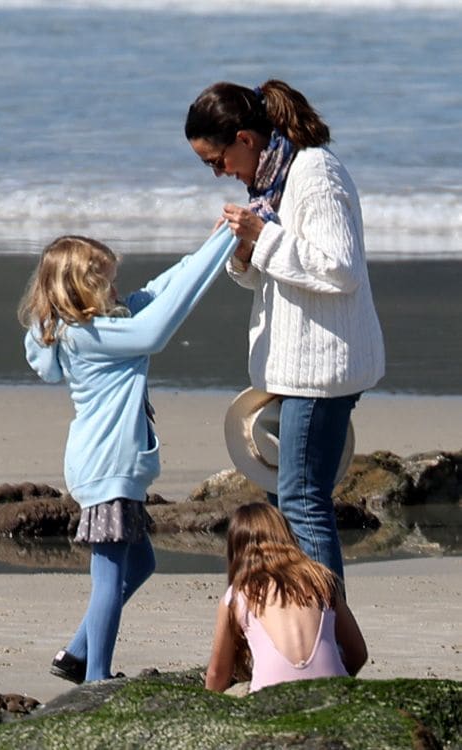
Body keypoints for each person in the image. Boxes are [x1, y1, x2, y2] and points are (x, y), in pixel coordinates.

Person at [185, 79, 385, 581]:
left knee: (301, 500)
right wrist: (244, 253)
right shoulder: (271, 183)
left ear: (246, 140)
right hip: (296, 367)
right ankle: (309, 630)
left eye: (217, 160)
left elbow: (340, 270)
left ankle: (328, 638)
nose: (218, 173)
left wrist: (263, 237)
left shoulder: (314, 173)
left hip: (322, 368)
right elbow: (277, 275)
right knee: (287, 497)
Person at [18, 226, 237, 683]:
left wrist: (215, 240)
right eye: (108, 284)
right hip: (107, 470)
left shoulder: (98, 325)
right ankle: (96, 677)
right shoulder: (88, 336)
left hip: (108, 468)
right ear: (83, 291)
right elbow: (157, 328)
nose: (118, 291)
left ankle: (76, 654)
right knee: (108, 577)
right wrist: (228, 243)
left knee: (140, 563)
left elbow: (161, 289)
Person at [206, 502, 367, 693]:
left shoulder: (238, 595)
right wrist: (338, 682)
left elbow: (217, 674)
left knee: (237, 692)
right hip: (332, 693)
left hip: (270, 699)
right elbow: (358, 653)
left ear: (237, 548)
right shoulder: (321, 580)